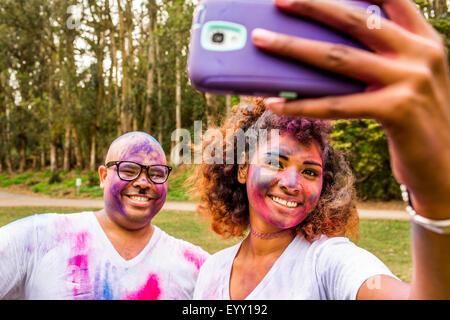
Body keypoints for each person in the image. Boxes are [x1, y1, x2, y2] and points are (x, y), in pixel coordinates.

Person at [193, 0, 450, 300]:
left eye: (310, 171)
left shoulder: (329, 262)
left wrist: (435, 197)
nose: (292, 183)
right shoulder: (212, 272)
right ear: (242, 168)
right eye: (277, 162)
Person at [0, 131, 209, 300]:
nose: (143, 182)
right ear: (103, 176)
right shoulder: (38, 238)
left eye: (156, 173)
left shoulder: (196, 266)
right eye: (129, 170)